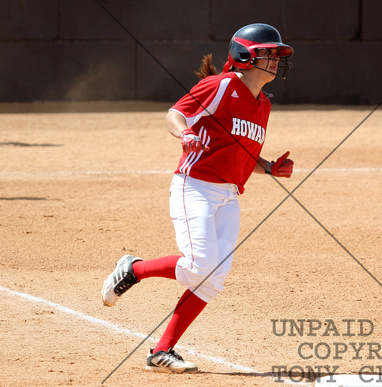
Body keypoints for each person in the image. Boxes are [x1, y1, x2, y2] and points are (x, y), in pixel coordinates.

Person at [101, 23, 295, 373]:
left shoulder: (263, 104)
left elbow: (239, 154)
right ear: (245, 56)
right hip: (196, 187)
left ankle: (162, 351)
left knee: (213, 278)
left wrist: (269, 167)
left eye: (277, 54)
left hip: (229, 195)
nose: (275, 60)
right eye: (268, 53)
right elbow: (174, 114)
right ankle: (134, 269)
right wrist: (186, 133)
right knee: (200, 267)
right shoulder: (221, 86)